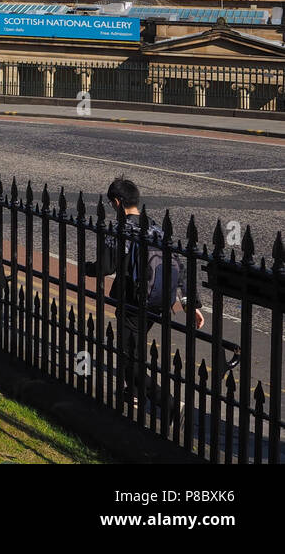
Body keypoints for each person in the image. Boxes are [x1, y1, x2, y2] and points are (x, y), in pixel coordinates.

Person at [84, 177, 204, 418]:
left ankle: (170, 405)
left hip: (132, 302)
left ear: (117, 203)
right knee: (136, 348)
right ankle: (136, 395)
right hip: (158, 302)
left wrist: (86, 267)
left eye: (111, 204)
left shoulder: (120, 229)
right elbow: (178, 266)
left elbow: (105, 268)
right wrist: (191, 304)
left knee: (129, 363)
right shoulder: (156, 227)